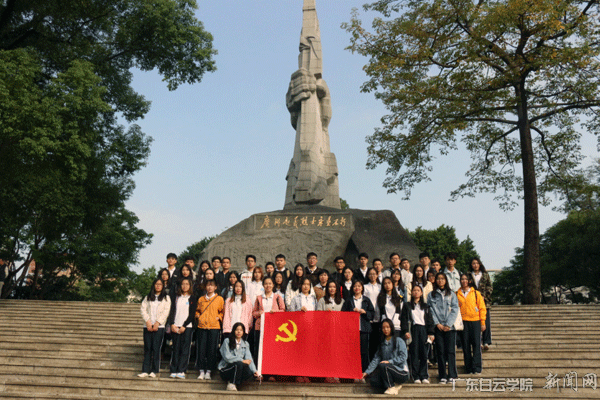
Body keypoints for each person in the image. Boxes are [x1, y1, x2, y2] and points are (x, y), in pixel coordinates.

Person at [427, 272, 459, 384]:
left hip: (450, 328)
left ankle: (452, 375)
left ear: (446, 281)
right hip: (438, 327)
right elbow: (430, 310)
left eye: (442, 279)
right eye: (438, 279)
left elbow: (455, 309)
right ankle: (442, 375)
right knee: (440, 351)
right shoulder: (431, 295)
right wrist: (437, 323)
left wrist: (448, 324)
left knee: (450, 351)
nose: (440, 281)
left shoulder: (452, 294)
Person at [362, 319, 409, 395]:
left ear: (391, 328)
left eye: (387, 327)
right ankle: (394, 385)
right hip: (387, 370)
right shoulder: (382, 344)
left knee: (383, 365)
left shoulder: (399, 340)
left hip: (401, 372)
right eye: (383, 328)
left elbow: (404, 356)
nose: (385, 329)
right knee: (374, 381)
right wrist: (367, 372)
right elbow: (376, 359)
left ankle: (391, 387)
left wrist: (390, 362)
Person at [401, 285, 435, 384]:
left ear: (421, 293)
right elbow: (404, 319)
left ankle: (424, 375)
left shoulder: (426, 306)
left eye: (418, 290)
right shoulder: (407, 305)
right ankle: (415, 376)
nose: (416, 292)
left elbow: (430, 320)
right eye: (414, 290)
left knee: (424, 353)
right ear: (411, 293)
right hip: (413, 329)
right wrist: (405, 331)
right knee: (414, 353)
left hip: (424, 330)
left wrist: (431, 333)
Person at [138, 278, 171, 378]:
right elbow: (143, 309)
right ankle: (145, 370)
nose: (158, 286)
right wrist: (148, 321)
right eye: (156, 284)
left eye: (160, 284)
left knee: (156, 348)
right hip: (147, 326)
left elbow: (166, 312)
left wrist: (158, 323)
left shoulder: (166, 298)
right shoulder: (147, 297)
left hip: (159, 327)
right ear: (153, 285)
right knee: (147, 348)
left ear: (163, 286)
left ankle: (154, 370)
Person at [252, 276, 285, 373]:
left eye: (270, 283)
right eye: (266, 283)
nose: (268, 285)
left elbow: (283, 310)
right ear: (263, 285)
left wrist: (275, 312)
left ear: (273, 285)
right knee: (259, 350)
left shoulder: (277, 297)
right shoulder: (259, 298)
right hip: (260, 327)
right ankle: (259, 372)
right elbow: (254, 313)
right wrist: (259, 313)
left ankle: (272, 372)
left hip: (273, 327)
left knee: (272, 350)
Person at [456, 273, 486, 375]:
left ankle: (477, 367)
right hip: (463, 322)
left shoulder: (476, 293)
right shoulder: (457, 294)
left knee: (476, 345)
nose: (464, 281)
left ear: (469, 281)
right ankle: (468, 368)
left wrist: (483, 322)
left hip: (475, 321)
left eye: (466, 279)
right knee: (466, 345)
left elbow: (482, 308)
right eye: (462, 279)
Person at [342, 280, 375, 374]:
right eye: (355, 286)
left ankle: (364, 372)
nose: (357, 288)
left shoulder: (366, 300)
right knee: (352, 351)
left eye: (359, 286)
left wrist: (365, 312)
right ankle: (352, 371)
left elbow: (372, 314)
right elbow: (343, 314)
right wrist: (352, 313)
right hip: (352, 330)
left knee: (364, 352)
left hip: (364, 329)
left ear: (362, 288)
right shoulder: (348, 300)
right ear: (352, 288)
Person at [289, 277, 317, 383]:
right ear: (301, 286)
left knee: (309, 352)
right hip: (298, 329)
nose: (306, 286)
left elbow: (317, 313)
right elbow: (290, 314)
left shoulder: (313, 299)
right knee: (299, 352)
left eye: (308, 284)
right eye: (304, 284)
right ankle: (299, 373)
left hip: (310, 329)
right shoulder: (295, 298)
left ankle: (307, 373)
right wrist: (298, 310)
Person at [167, 277, 197, 379]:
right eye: (183, 284)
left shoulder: (192, 298)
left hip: (187, 327)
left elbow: (192, 314)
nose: (185, 286)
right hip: (175, 326)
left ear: (190, 286)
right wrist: (172, 324)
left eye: (187, 284)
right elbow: (172, 311)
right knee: (175, 348)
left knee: (185, 349)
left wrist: (184, 325)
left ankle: (181, 370)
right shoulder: (176, 297)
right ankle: (173, 369)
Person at [195, 280, 224, 380]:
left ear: (215, 287)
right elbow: (197, 310)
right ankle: (201, 370)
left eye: (212, 285)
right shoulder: (201, 299)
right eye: (208, 285)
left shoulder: (219, 299)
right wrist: (198, 316)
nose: (210, 287)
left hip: (214, 327)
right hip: (202, 326)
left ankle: (209, 371)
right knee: (201, 349)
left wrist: (219, 317)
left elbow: (222, 311)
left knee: (212, 349)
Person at [219, 322, 259, 391]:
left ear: (243, 332)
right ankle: (232, 383)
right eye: (237, 330)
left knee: (249, 372)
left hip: (237, 368)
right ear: (233, 331)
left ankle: (234, 382)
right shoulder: (227, 341)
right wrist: (242, 360)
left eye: (241, 330)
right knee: (239, 364)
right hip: (226, 369)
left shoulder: (245, 344)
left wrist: (254, 371)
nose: (239, 332)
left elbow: (249, 359)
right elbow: (227, 357)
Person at [469, 257, 493, 350]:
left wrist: (484, 296)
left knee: (486, 321)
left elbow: (490, 287)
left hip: (485, 302)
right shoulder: (469, 275)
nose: (475, 265)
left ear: (480, 264)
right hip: (472, 302)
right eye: (473, 263)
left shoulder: (485, 274)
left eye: (477, 263)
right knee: (476, 323)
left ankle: (486, 341)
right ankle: (478, 341)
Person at [364, 267, 382, 361]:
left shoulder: (380, 286)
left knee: (378, 339)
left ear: (377, 275)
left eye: (374, 274)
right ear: (367, 275)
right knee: (370, 341)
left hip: (379, 315)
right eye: (370, 274)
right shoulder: (365, 287)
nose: (372, 276)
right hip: (368, 315)